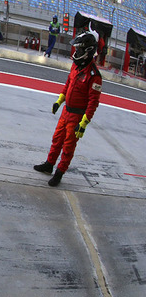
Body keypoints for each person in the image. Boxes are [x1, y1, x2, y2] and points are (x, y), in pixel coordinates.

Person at [33, 30, 102, 187]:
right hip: (66, 112)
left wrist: (83, 124)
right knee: (57, 139)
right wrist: (59, 101)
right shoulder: (75, 67)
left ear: (88, 51)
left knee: (68, 146)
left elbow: (93, 103)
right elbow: (67, 85)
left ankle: (59, 173)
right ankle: (49, 165)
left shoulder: (94, 75)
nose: (76, 52)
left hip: (77, 117)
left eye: (79, 49)